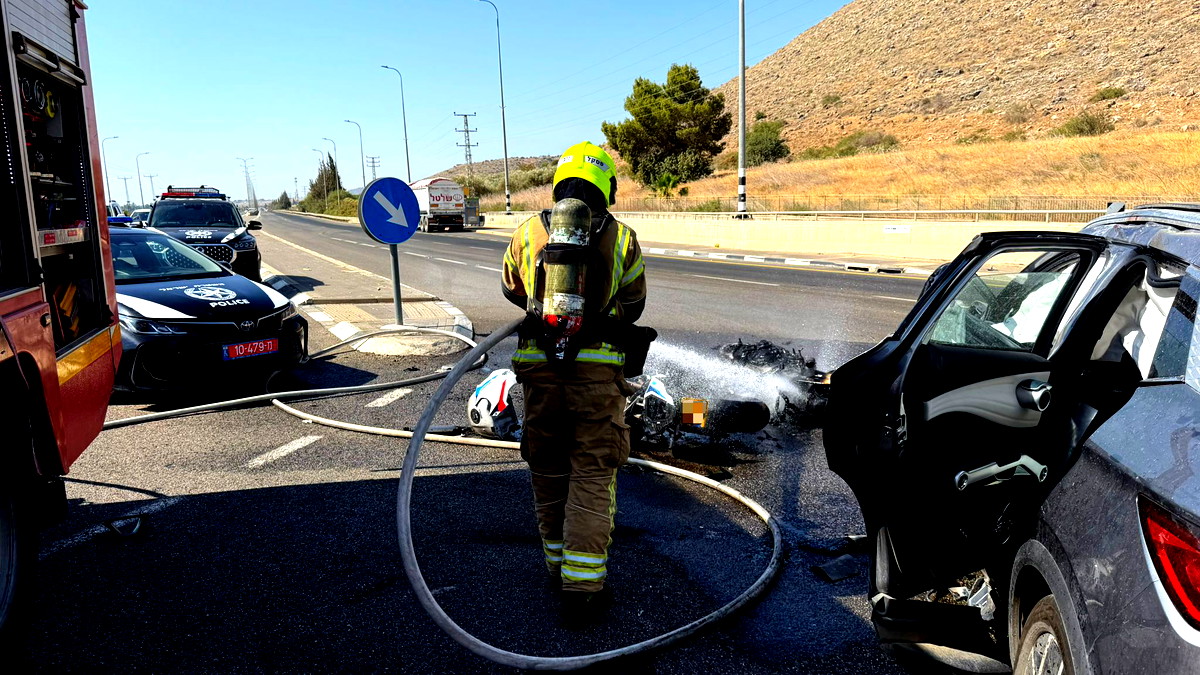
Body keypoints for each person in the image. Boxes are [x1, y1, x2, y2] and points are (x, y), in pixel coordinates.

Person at [500, 141, 650, 621]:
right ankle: (583, 587)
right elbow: (635, 303)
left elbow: (510, 287)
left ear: (559, 182)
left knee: (546, 467)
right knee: (591, 471)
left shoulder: (527, 232)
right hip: (596, 376)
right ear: (606, 184)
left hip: (540, 372)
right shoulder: (622, 237)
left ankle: (556, 565)